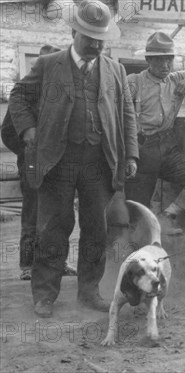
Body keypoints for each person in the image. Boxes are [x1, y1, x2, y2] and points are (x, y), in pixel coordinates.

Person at [8, 0, 138, 318]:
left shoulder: (116, 70)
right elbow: (18, 97)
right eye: (89, 38)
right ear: (73, 32)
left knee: (96, 229)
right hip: (57, 160)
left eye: (100, 39)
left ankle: (90, 292)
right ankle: (45, 295)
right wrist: (28, 130)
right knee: (53, 227)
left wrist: (131, 154)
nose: (94, 45)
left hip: (99, 161)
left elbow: (127, 114)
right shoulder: (48, 64)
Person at [125, 32, 185, 234]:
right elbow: (115, 109)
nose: (166, 65)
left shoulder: (177, 79)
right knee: (137, 208)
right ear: (148, 59)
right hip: (141, 149)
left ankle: (169, 216)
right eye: (160, 59)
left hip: (167, 148)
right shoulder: (134, 81)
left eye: (169, 59)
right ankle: (136, 255)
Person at [1, 45, 77, 281]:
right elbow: (7, 133)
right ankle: (27, 265)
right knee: (33, 214)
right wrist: (28, 153)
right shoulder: (24, 97)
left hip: (58, 166)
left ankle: (58, 262)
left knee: (60, 215)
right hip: (33, 165)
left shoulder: (60, 95)